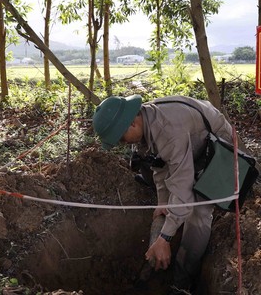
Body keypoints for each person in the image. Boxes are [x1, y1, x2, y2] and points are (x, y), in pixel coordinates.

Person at [92, 94, 234, 294]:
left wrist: (165, 238)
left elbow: (184, 192)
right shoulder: (145, 122)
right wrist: (163, 203)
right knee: (177, 197)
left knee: (199, 210)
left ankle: (182, 281)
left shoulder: (168, 130)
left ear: (132, 123)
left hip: (217, 142)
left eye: (121, 139)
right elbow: (159, 165)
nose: (122, 144)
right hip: (188, 141)